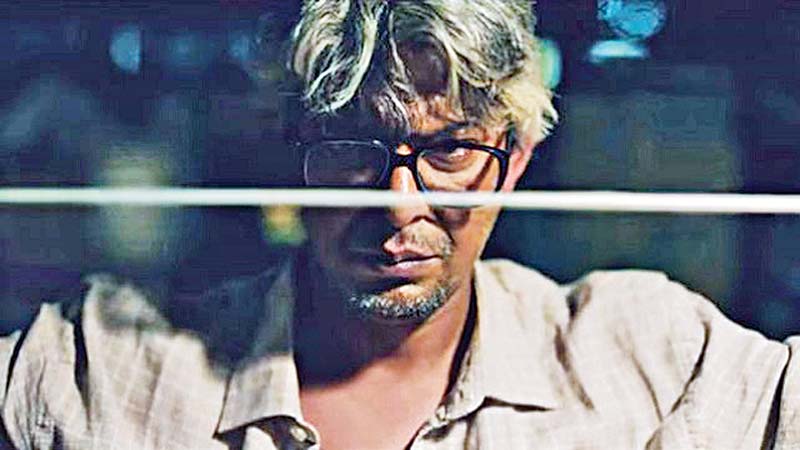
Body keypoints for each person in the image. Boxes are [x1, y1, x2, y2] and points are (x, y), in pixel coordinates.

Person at [1, 1, 799, 449]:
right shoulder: (100, 370)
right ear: (292, 157)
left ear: (513, 162)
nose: (399, 206)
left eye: (449, 151)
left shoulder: (652, 356)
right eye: (353, 151)